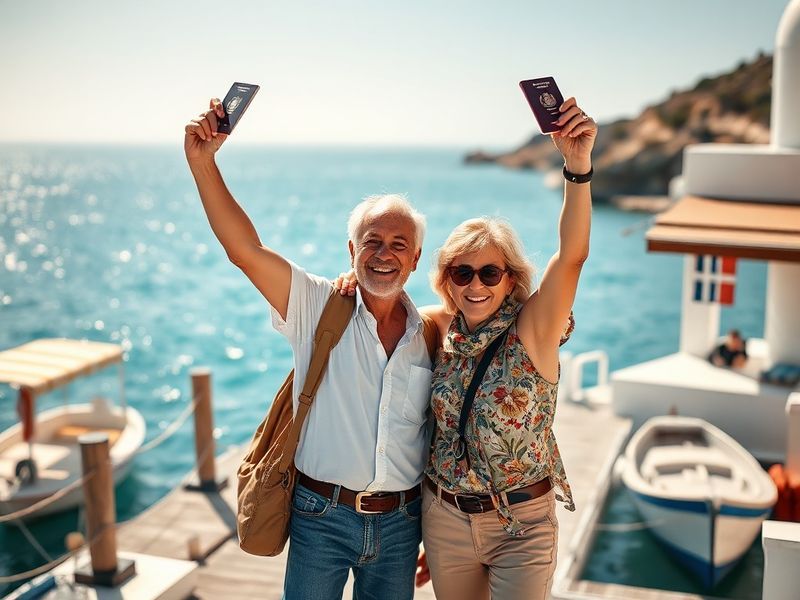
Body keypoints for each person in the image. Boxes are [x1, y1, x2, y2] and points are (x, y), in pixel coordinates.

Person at [336, 97, 597, 599]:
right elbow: (385, 298)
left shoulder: (534, 330)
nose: (476, 285)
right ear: (447, 280)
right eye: (462, 272)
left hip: (520, 524)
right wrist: (356, 280)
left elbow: (572, 256)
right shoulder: (440, 328)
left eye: (489, 273)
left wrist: (577, 168)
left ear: (509, 278)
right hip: (445, 521)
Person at [184, 99, 435, 600]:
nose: (384, 253)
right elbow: (245, 251)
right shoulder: (318, 305)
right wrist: (203, 163)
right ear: (351, 251)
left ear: (416, 259)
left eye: (399, 244)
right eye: (372, 241)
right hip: (322, 517)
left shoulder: (431, 333)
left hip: (404, 523)